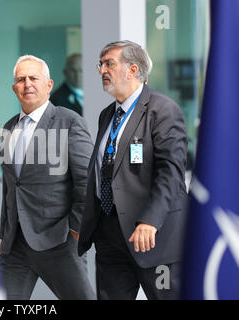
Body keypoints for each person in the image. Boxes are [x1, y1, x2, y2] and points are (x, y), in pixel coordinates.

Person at [77, 41, 188, 300]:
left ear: (132, 69)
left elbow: (170, 172)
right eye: (100, 64)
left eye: (109, 64)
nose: (102, 70)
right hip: (109, 237)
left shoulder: (163, 110)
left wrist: (150, 221)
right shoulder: (107, 115)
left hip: (153, 237)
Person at [0, 54, 95, 300]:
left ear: (49, 85)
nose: (27, 84)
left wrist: (76, 229)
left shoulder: (69, 121)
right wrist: (4, 235)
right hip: (15, 246)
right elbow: (11, 188)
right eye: (21, 79)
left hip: (58, 241)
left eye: (33, 78)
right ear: (14, 88)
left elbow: (86, 179)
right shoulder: (8, 129)